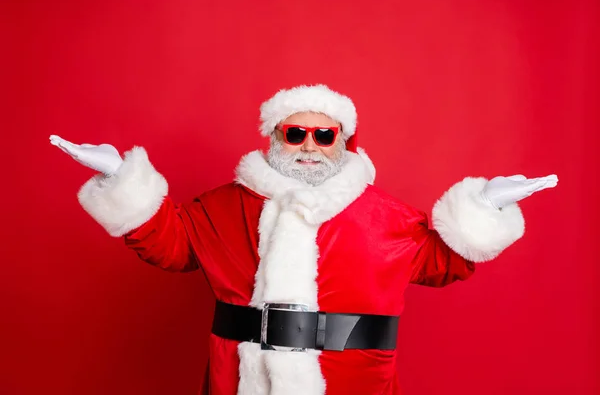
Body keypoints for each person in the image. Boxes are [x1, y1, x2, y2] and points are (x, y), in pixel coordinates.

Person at [49, 84, 558, 395]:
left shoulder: (388, 216)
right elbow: (172, 246)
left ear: (344, 142)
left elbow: (444, 262)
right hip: (245, 379)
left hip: (354, 382)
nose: (308, 145)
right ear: (273, 139)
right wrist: (120, 176)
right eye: (295, 134)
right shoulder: (224, 205)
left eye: (323, 135)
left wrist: (487, 203)